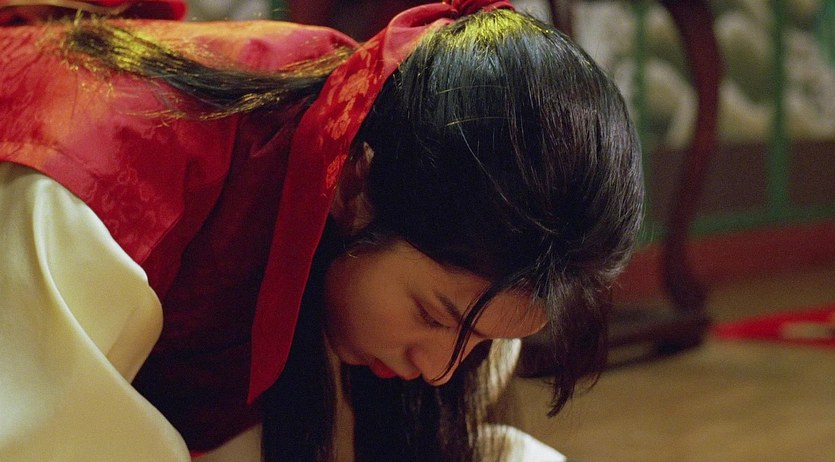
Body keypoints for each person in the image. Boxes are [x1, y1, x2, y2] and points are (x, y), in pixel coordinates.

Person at [0, 0, 644, 460]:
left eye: (479, 339)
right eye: (431, 316)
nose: (440, 370)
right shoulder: (95, 191)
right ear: (357, 188)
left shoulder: (449, 244)